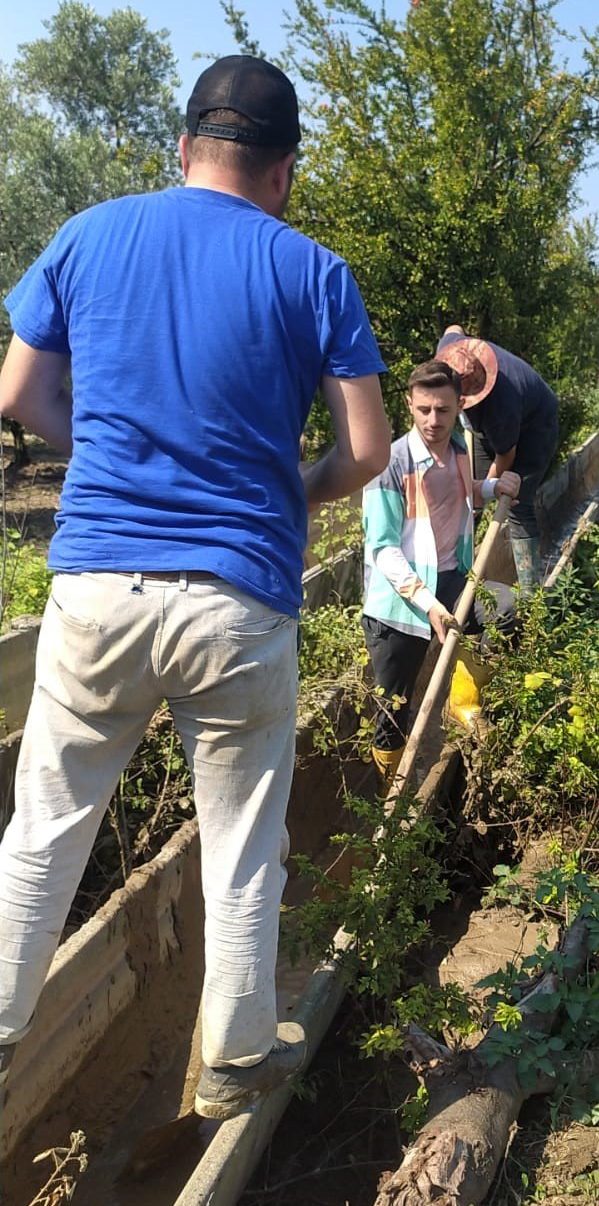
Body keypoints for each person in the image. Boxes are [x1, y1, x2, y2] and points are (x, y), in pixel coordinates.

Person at [0, 56, 391, 1122]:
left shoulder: (89, 234)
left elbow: (19, 391)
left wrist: (108, 457)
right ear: (284, 172)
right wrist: (289, 492)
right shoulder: (314, 271)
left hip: (98, 588)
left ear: (182, 149)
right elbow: (366, 451)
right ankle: (234, 1057)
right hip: (237, 599)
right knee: (243, 840)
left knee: (47, 822)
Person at [361, 360, 520, 788]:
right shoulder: (390, 464)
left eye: (443, 410)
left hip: (451, 579)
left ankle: (462, 702)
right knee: (393, 710)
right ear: (409, 405)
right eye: (424, 410)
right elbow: (383, 549)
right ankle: (390, 790)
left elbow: (462, 495)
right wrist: (428, 605)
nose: (433, 420)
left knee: (506, 610)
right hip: (399, 603)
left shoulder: (460, 450)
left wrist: (493, 488)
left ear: (460, 406)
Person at [434, 327, 559, 592]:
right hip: (487, 428)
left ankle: (531, 594)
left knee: (516, 501)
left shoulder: (502, 404)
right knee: (467, 493)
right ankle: (453, 573)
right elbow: (453, 328)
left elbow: (506, 455)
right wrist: (475, 493)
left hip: (535, 430)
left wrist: (485, 490)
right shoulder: (450, 351)